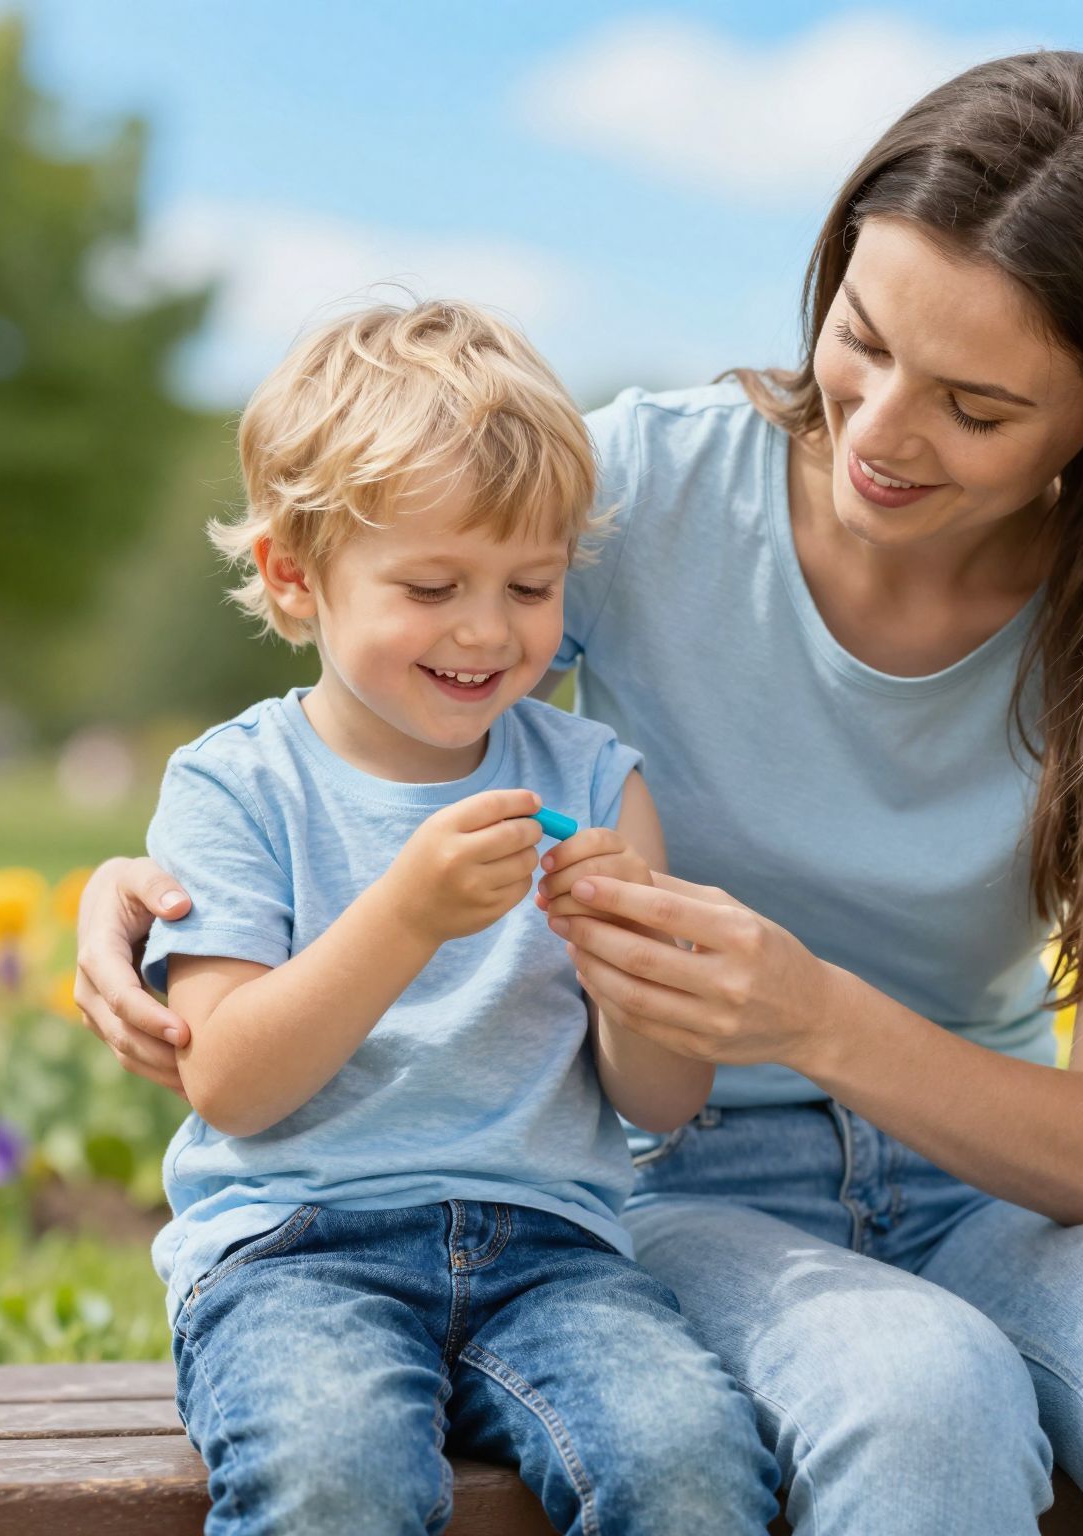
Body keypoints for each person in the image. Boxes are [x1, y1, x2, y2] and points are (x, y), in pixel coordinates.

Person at [82, 52, 1083, 1535]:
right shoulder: (649, 493)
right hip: (688, 1181)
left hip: (995, 1180)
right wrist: (138, 885)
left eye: (974, 406)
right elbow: (380, 672)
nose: (878, 432)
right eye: (861, 339)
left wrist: (811, 1013)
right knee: (916, 1393)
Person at [142, 300, 778, 1535]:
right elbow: (228, 1081)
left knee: (687, 1460)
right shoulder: (236, 786)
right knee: (333, 1472)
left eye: (530, 586)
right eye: (432, 586)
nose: (487, 629)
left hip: (554, 1254)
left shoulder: (594, 781)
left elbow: (660, 1100)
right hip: (296, 1253)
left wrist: (628, 967)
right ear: (292, 575)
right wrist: (405, 914)